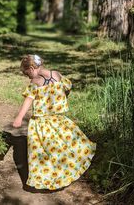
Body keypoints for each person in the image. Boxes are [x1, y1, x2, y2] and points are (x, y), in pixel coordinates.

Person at [13, 54, 96, 190]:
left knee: (43, 152)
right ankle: (65, 172)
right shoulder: (57, 75)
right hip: (59, 120)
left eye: (26, 73)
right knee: (64, 146)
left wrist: (19, 117)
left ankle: (48, 179)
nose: (27, 76)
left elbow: (28, 100)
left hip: (41, 123)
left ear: (32, 68)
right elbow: (68, 87)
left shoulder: (36, 82)